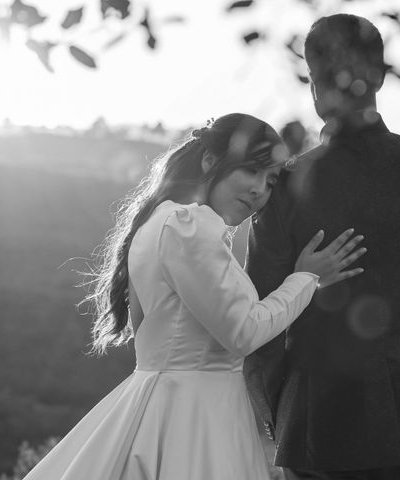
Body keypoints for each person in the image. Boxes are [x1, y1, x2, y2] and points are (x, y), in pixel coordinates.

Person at [22, 113, 366, 480]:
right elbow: (241, 334)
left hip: (165, 404)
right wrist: (306, 278)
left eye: (270, 181)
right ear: (210, 161)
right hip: (195, 416)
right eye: (251, 171)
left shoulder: (164, 221)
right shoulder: (189, 226)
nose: (259, 191)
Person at [243, 14, 400, 480]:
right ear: (380, 76)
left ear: (313, 87)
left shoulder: (288, 184)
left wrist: (282, 406)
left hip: (318, 425)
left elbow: (262, 311)